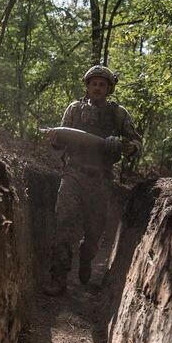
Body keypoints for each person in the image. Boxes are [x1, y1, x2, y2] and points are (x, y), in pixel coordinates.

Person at [43, 65, 142, 296]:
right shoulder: (74, 110)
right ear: (87, 86)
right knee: (64, 225)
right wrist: (54, 138)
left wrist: (124, 145)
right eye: (94, 83)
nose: (97, 87)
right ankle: (58, 278)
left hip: (101, 180)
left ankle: (86, 259)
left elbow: (136, 142)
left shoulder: (119, 114)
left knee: (94, 234)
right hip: (73, 175)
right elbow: (60, 141)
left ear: (109, 89)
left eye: (102, 84)